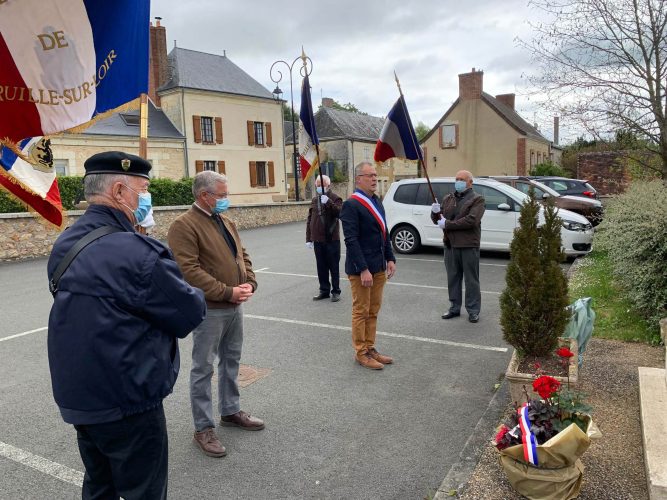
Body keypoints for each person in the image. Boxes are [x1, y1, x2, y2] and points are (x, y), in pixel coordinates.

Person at [47, 151, 207, 500]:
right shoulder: (137, 252)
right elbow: (189, 312)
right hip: (127, 400)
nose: (145, 197)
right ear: (120, 191)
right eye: (143, 188)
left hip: (81, 397)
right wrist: (151, 249)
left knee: (99, 485)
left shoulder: (67, 242)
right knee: (143, 491)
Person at [167, 170, 264, 459]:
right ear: (204, 196)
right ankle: (203, 428)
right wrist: (226, 292)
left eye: (225, 194)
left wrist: (249, 282)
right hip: (210, 309)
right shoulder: (183, 226)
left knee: (231, 361)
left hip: (235, 305)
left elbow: (241, 255)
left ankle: (230, 410)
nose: (226, 199)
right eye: (221, 195)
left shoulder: (225, 220)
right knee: (203, 368)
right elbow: (188, 271)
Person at [340, 162, 397, 370]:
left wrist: (390, 258)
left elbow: (384, 232)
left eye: (375, 175)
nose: (374, 179)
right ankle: (361, 352)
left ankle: (370, 347)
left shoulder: (376, 201)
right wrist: (363, 268)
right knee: (361, 310)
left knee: (373, 310)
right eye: (370, 175)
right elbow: (351, 240)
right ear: (358, 179)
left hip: (378, 266)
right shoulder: (351, 205)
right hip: (361, 269)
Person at [431, 170, 485, 323]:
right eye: (456, 179)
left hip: (468, 245)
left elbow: (471, 220)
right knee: (453, 278)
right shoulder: (448, 198)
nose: (458, 181)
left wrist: (447, 224)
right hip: (450, 244)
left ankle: (473, 310)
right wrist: (435, 212)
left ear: (470, 182)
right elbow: (438, 220)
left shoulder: (477, 199)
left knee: (471, 280)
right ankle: (454, 307)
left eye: (462, 179)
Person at [306, 174, 343, 302]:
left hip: (332, 239)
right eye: (317, 184)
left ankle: (336, 291)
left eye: (321, 184)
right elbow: (310, 219)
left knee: (333, 267)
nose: (319, 186)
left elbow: (339, 213)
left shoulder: (335, 198)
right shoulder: (315, 200)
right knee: (321, 267)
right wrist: (308, 238)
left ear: (328, 185)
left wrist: (328, 202)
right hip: (318, 240)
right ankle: (324, 290)